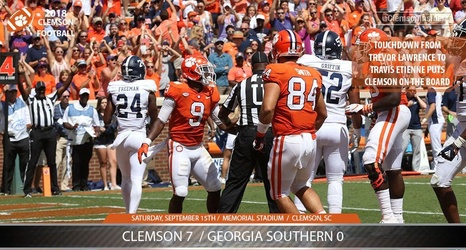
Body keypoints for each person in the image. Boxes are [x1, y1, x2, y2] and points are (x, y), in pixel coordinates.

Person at [137, 54, 229, 213]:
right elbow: (160, 120)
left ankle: (216, 225)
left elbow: (221, 122)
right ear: (191, 73)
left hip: (198, 147)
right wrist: (146, 141)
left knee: (215, 187)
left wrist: (241, 127)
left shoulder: (210, 92)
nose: (207, 74)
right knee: (180, 191)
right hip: (179, 146)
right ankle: (173, 230)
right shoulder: (177, 90)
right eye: (203, 71)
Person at [253, 29, 327, 214]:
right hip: (310, 139)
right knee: (301, 186)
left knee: (279, 194)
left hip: (287, 139)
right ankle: (327, 223)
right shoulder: (312, 73)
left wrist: (260, 134)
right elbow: (323, 113)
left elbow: (268, 108)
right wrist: (307, 130)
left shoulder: (275, 70)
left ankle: (303, 235)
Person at [347, 28, 410, 223]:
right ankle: (398, 219)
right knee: (392, 168)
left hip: (394, 110)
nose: (360, 49)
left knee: (370, 160)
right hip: (393, 111)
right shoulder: (376, 61)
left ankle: (389, 217)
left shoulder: (382, 61)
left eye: (363, 46)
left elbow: (392, 98)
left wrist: (366, 108)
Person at [295, 30, 361, 214]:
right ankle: (335, 220)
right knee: (335, 179)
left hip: (312, 125)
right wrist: (357, 131)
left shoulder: (306, 61)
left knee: (304, 179)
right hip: (337, 126)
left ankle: (300, 219)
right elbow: (355, 105)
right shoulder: (349, 67)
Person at [217, 51, 280, 213]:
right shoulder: (276, 83)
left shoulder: (241, 85)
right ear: (268, 66)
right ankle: (281, 225)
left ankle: (221, 223)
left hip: (247, 133)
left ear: (251, 67)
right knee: (273, 183)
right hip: (269, 134)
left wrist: (233, 127)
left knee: (235, 183)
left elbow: (222, 114)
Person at [104, 55, 158, 214]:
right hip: (139, 136)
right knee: (136, 179)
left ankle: (128, 211)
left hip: (121, 138)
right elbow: (156, 118)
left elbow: (106, 119)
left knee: (126, 178)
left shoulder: (114, 88)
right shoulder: (147, 88)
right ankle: (131, 214)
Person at [431, 19, 466, 223]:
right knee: (440, 180)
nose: (457, 42)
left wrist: (458, 144)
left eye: (461, 38)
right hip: (461, 129)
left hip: (462, 135)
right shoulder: (458, 63)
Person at [23, 67, 75, 198]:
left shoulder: (50, 98)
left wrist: (72, 75)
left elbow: (63, 88)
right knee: (33, 161)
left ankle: (55, 188)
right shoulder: (31, 100)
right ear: (36, 91)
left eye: (42, 90)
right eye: (39, 90)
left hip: (50, 132)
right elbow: (21, 89)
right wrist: (19, 75)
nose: (41, 92)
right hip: (37, 132)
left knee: (52, 162)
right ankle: (27, 189)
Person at [63, 88, 100, 192]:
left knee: (85, 163)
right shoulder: (70, 108)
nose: (85, 98)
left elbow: (96, 124)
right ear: (79, 96)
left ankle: (84, 184)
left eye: (86, 96)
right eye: (83, 96)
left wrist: (96, 133)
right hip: (75, 140)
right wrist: (72, 127)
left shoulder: (92, 110)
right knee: (76, 163)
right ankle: (76, 185)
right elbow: (65, 122)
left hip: (87, 140)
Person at [0, 80, 31, 195]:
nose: (13, 94)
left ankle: (26, 189)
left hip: (23, 137)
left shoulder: (21, 102)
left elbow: (28, 88)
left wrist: (28, 124)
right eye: (10, 92)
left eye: (14, 92)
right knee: (8, 165)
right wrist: (3, 92)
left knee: (25, 165)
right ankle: (6, 189)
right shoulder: (3, 105)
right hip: (9, 138)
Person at [94, 96, 119, 191]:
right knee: (103, 162)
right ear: (99, 104)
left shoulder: (113, 115)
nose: (104, 104)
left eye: (106, 102)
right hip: (100, 141)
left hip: (110, 140)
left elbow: (114, 126)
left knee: (113, 161)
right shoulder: (96, 115)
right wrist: (98, 129)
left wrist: (105, 129)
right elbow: (93, 126)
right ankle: (105, 185)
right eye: (102, 103)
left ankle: (114, 184)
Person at [402, 85, 427, 171]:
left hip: (416, 127)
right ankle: (398, 167)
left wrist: (417, 97)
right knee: (402, 147)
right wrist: (408, 104)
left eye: (414, 90)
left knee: (417, 149)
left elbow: (424, 106)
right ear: (407, 90)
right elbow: (402, 107)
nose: (413, 92)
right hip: (406, 127)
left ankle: (415, 169)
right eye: (411, 90)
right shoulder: (403, 98)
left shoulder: (416, 99)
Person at [53, 90, 72, 191]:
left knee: (67, 163)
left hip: (69, 138)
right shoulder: (56, 108)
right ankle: (54, 184)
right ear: (60, 98)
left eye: (68, 96)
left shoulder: (71, 108)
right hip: (59, 138)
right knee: (57, 161)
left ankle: (64, 185)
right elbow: (57, 123)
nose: (67, 98)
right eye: (64, 96)